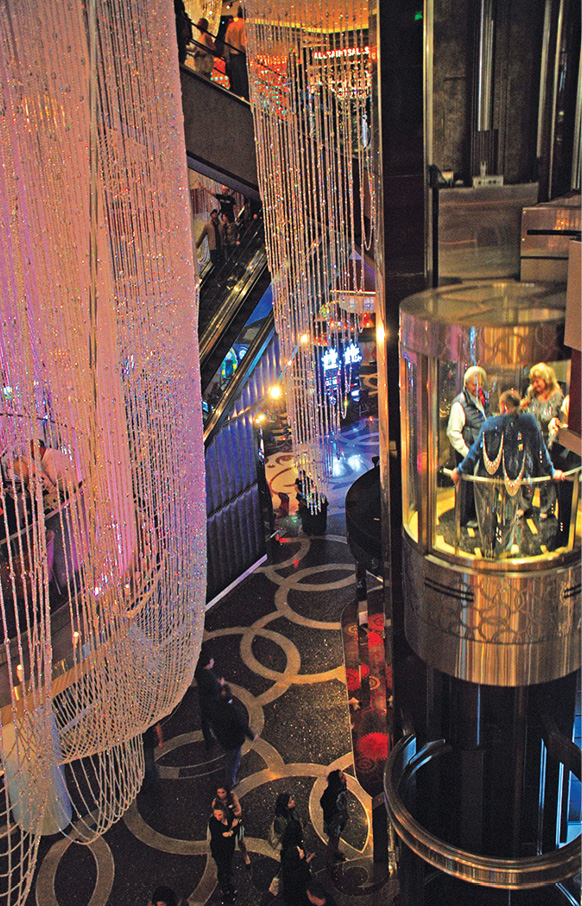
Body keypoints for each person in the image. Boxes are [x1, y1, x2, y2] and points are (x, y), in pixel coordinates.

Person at [452, 390, 564, 558]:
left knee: (485, 511)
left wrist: (460, 471)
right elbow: (540, 451)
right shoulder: (529, 422)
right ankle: (503, 549)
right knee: (509, 512)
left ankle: (489, 548)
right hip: (513, 475)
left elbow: (474, 452)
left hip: (485, 475)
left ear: (502, 405)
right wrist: (552, 471)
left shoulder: (490, 423)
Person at [446, 366, 491, 527]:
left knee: (478, 485)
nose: (478, 388)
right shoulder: (459, 403)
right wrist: (468, 453)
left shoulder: (482, 399)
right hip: (467, 453)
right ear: (466, 383)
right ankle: (466, 518)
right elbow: (453, 433)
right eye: (474, 384)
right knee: (467, 487)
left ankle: (476, 514)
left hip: (480, 452)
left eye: (480, 384)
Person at [520, 362, 564, 519]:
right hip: (531, 438)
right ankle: (524, 505)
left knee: (547, 474)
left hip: (547, 440)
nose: (534, 384)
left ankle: (547, 508)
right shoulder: (531, 393)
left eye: (537, 380)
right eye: (532, 381)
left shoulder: (557, 395)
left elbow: (554, 418)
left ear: (546, 379)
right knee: (528, 471)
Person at [211, 684, 257, 788]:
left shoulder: (215, 709)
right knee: (233, 761)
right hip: (234, 741)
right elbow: (242, 725)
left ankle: (230, 775)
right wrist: (252, 736)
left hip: (223, 739)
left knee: (231, 757)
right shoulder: (234, 711)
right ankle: (230, 782)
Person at [212, 782, 251, 867]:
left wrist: (227, 815)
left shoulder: (232, 797)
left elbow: (239, 811)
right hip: (225, 825)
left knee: (241, 841)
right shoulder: (216, 802)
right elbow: (216, 816)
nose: (221, 795)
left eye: (223, 792)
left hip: (235, 823)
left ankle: (245, 855)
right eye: (218, 792)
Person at [194, 648, 223, 751]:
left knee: (205, 723)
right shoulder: (211, 678)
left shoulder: (199, 672)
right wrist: (221, 684)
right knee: (216, 721)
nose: (213, 662)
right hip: (212, 702)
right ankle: (219, 738)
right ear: (207, 664)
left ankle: (208, 741)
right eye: (211, 661)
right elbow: (217, 690)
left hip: (203, 701)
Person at [209, 804, 238, 904]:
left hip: (229, 848)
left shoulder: (230, 815)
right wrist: (231, 831)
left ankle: (229, 884)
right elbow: (220, 836)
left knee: (228, 866)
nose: (217, 817)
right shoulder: (213, 822)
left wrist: (230, 832)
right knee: (222, 869)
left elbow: (236, 827)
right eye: (215, 814)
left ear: (224, 813)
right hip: (219, 851)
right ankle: (224, 889)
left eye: (220, 814)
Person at [319, 769, 348, 869]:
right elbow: (323, 802)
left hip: (340, 818)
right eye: (341, 777)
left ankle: (336, 850)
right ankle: (330, 859)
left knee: (337, 836)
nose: (345, 778)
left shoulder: (342, 787)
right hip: (333, 820)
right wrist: (334, 813)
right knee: (332, 839)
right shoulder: (330, 792)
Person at [280, 820, 314, 906]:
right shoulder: (293, 852)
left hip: (290, 886)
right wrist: (309, 858)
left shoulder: (286, 845)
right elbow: (299, 870)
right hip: (297, 888)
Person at [224, 6, 249, 99]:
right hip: (240, 55)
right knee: (244, 81)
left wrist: (227, 58)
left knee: (236, 80)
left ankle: (236, 98)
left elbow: (226, 42)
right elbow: (243, 43)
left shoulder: (231, 25)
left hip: (232, 55)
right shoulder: (244, 25)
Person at [141, 721, 163, 793]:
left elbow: (157, 727)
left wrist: (160, 741)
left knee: (149, 766)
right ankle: (150, 785)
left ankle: (153, 786)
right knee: (146, 766)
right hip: (140, 746)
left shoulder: (147, 717)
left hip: (147, 744)